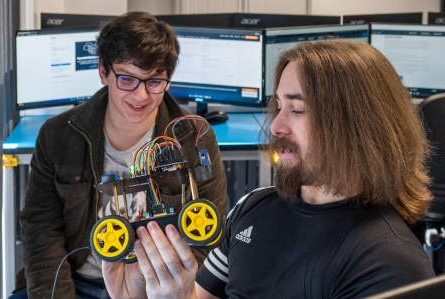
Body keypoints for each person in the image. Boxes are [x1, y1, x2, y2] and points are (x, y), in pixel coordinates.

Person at [102, 39, 436, 299]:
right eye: (278, 106)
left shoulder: (389, 265)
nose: (276, 126)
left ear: (355, 125)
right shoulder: (253, 209)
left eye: (297, 109)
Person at [10, 11, 228, 299]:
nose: (140, 97)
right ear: (104, 71)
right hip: (77, 284)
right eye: (127, 79)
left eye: (154, 82)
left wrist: (172, 290)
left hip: (158, 286)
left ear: (169, 78)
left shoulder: (191, 137)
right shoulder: (58, 135)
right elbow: (41, 232)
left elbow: (210, 233)